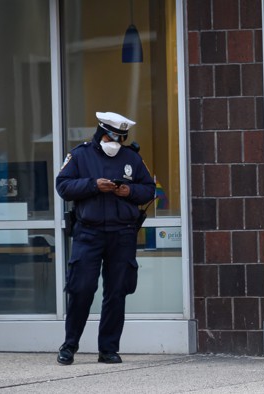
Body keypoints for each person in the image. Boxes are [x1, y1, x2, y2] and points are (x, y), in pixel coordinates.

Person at [55, 112, 156, 365]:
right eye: (113, 135)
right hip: (88, 233)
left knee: (116, 292)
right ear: (101, 132)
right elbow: (63, 186)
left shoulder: (132, 157)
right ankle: (69, 346)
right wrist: (93, 185)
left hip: (122, 234)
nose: (117, 141)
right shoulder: (80, 155)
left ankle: (108, 349)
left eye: (122, 137)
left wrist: (128, 190)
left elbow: (150, 190)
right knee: (81, 289)